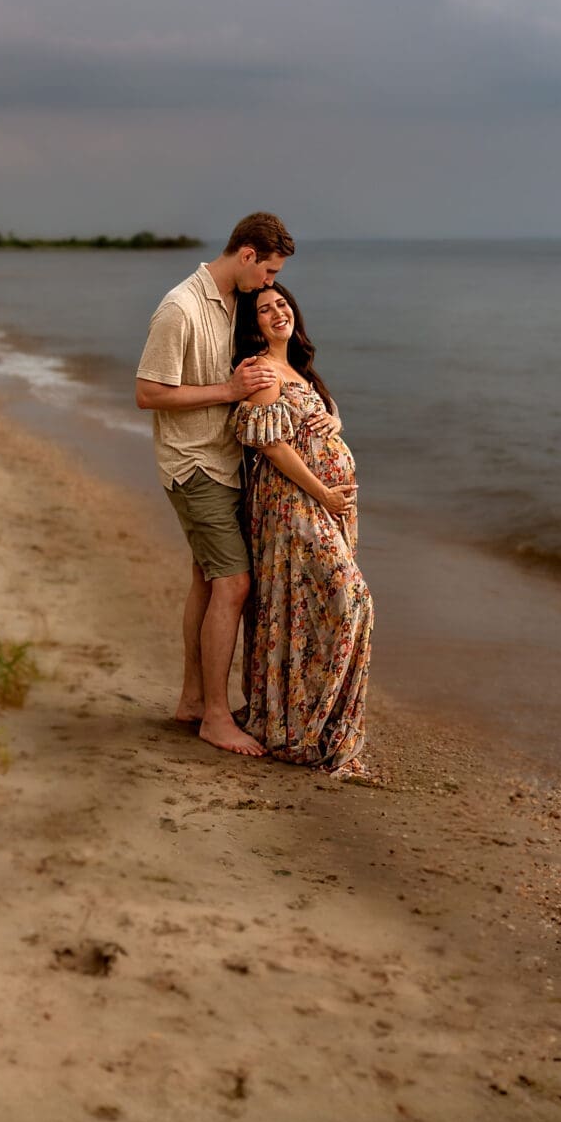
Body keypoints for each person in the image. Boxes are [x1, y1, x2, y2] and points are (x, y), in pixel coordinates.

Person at [134, 212, 297, 758]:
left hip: (225, 463)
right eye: (269, 272)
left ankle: (192, 701)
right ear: (247, 255)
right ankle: (217, 718)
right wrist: (227, 390)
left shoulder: (232, 304)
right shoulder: (179, 307)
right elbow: (148, 394)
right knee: (234, 584)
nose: (271, 284)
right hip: (193, 465)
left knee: (207, 579)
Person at [230, 284, 375, 777]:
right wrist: (325, 495)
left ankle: (317, 715)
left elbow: (308, 426)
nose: (277, 313)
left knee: (316, 607)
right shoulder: (263, 371)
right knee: (350, 600)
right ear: (254, 324)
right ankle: (302, 723)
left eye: (282, 304)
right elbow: (273, 448)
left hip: (323, 506)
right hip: (294, 506)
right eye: (264, 309)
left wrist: (332, 423)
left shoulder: (300, 371)